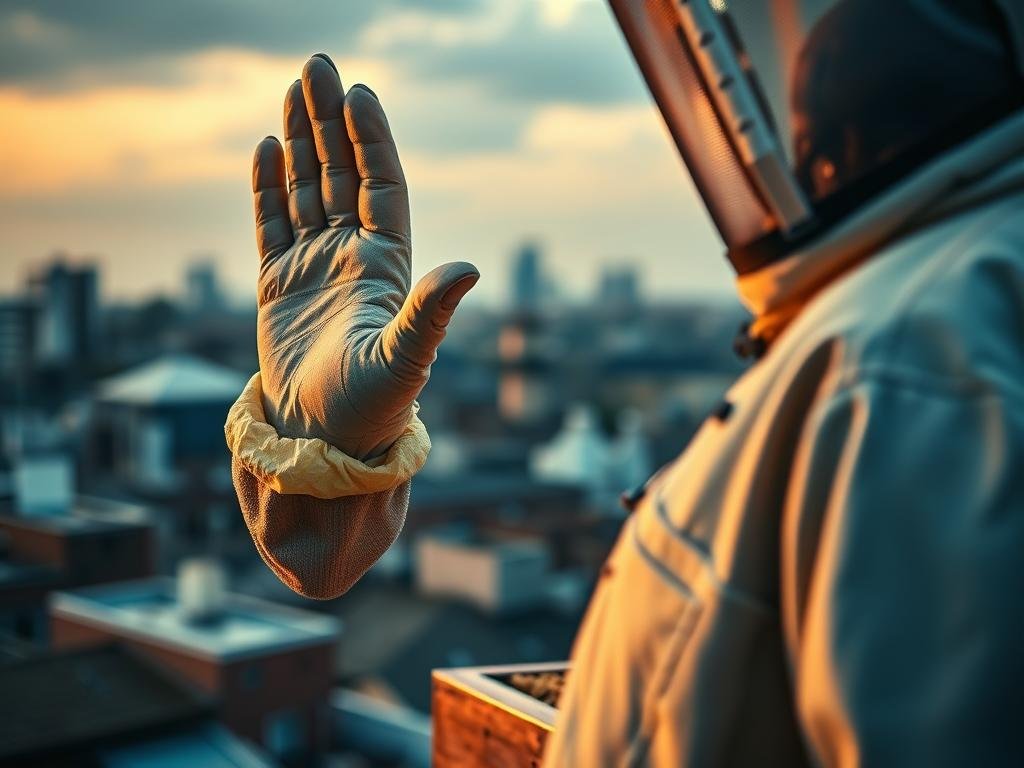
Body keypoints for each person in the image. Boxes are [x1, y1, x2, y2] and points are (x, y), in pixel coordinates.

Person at [225, 1, 1024, 764]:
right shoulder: (883, 324)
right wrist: (319, 448)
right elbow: (319, 574)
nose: (765, 84)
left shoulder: (913, 360)